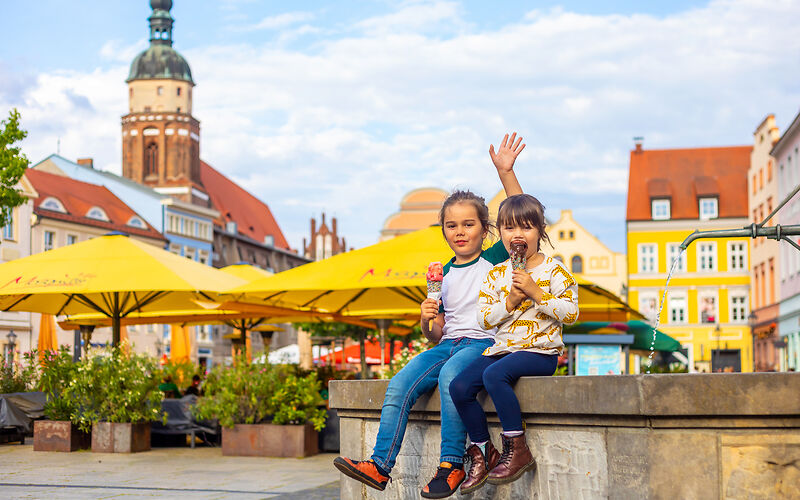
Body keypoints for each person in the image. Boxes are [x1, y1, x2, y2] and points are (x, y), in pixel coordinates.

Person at [334, 133, 527, 499]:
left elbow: (521, 215)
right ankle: (379, 466)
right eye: (452, 226)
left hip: (483, 344)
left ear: (485, 230)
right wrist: (427, 318)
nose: (460, 232)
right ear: (444, 231)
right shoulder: (443, 275)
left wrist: (506, 171)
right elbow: (436, 334)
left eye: (468, 224)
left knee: (452, 378)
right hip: (450, 344)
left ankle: (451, 465)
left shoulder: (494, 259)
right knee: (399, 384)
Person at [449, 193, 579, 493]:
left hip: (540, 351)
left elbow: (571, 313)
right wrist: (509, 301)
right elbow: (483, 319)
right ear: (501, 234)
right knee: (459, 386)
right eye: (509, 228)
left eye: (526, 227)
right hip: (502, 348)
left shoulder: (555, 271)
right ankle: (483, 450)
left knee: (493, 376)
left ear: (540, 231)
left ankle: (517, 448)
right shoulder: (495, 274)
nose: (517, 234)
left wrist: (536, 293)